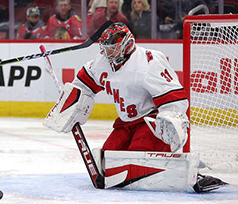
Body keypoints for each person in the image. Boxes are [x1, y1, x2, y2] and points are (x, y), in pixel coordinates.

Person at [43, 22, 227, 192]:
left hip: (151, 122)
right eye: (105, 48)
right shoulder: (103, 61)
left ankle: (190, 174)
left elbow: (174, 98)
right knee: (107, 163)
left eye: (112, 48)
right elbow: (84, 85)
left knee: (136, 162)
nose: (107, 53)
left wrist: (171, 122)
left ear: (127, 45)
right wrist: (71, 103)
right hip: (125, 122)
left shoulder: (148, 63)